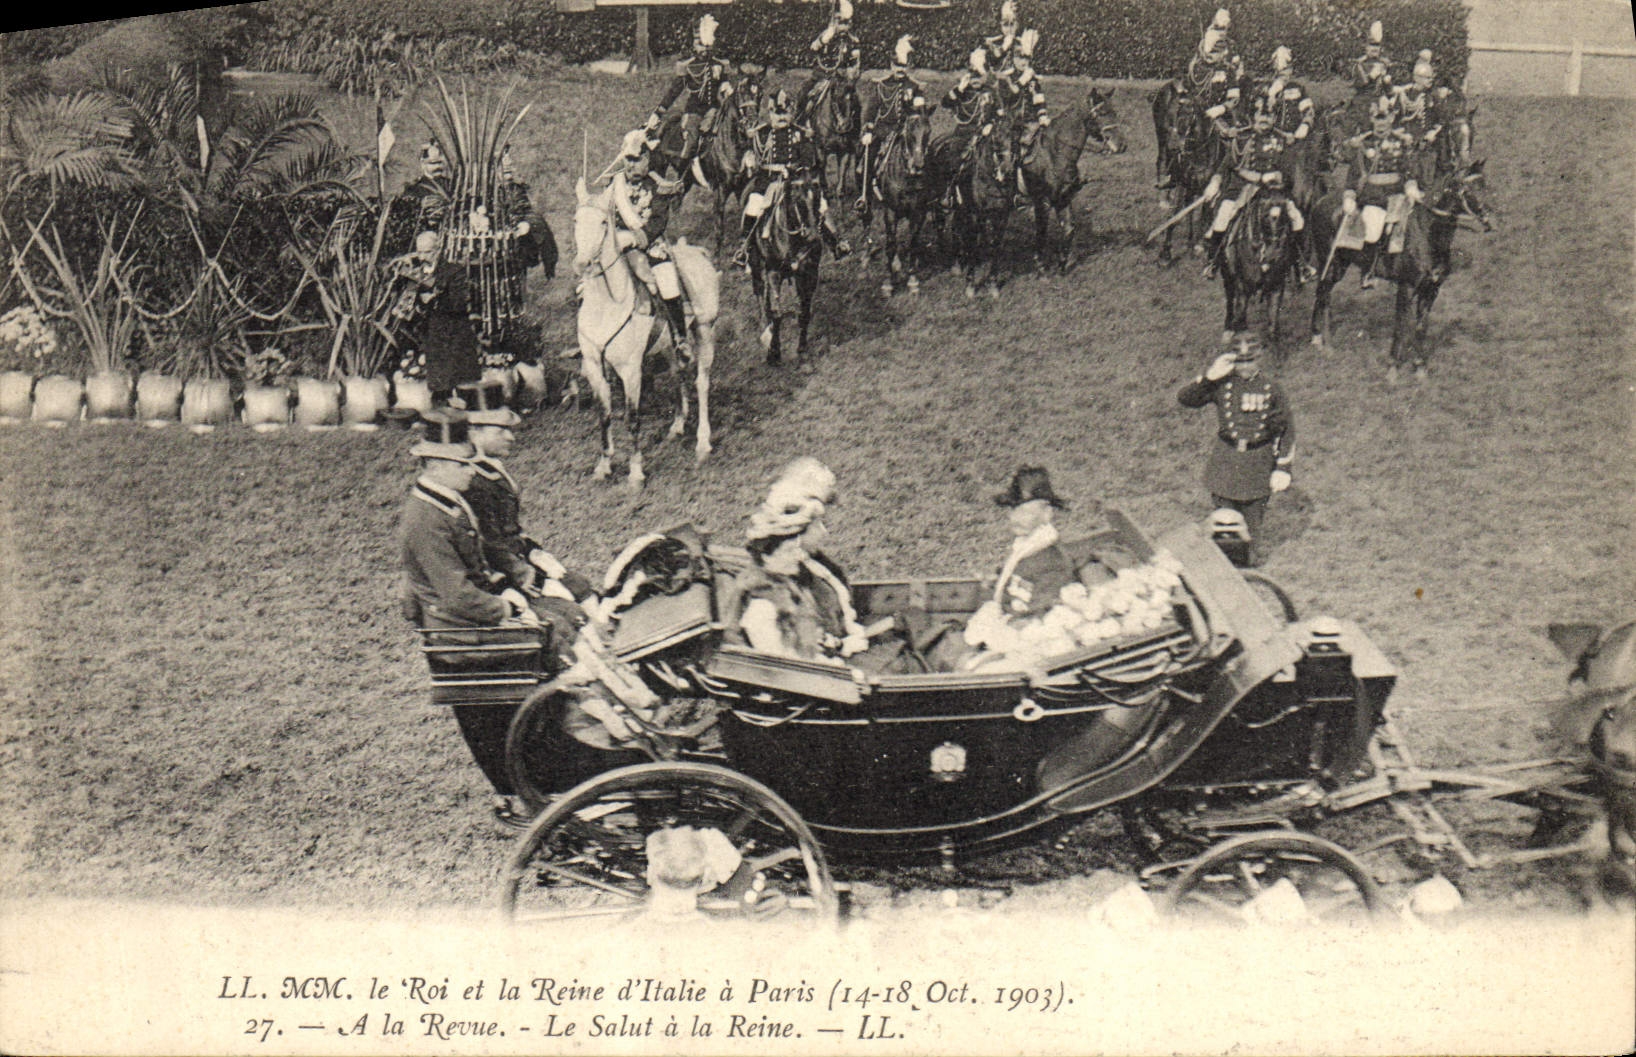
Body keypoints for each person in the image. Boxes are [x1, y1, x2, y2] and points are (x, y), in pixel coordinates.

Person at [399, 411, 543, 811]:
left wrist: (506, 588)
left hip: (468, 620)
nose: (471, 472)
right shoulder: (424, 519)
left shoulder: (447, 501)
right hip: (459, 636)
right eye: (464, 465)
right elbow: (457, 594)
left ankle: (529, 781)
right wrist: (505, 607)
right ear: (439, 466)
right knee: (491, 724)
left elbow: (475, 562)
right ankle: (513, 793)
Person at [459, 382, 599, 644]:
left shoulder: (492, 469)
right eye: (500, 430)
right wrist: (525, 573)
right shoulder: (474, 481)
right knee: (573, 610)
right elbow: (489, 543)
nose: (510, 437)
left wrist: (536, 552)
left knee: (583, 589)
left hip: (521, 558)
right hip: (504, 574)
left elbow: (510, 530)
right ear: (474, 432)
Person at [1176, 333, 1294, 563]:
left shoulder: (1272, 389)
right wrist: (1210, 377)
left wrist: (1283, 467)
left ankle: (1248, 563)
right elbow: (1186, 399)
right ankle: (1222, 564)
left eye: (1250, 360)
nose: (1245, 366)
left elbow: (1287, 429)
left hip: (1256, 462)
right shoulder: (1222, 384)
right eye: (1239, 361)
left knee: (1252, 522)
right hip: (1226, 461)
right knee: (1222, 521)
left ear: (1259, 358)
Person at [732, 89, 850, 269]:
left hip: (796, 181)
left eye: (785, 113)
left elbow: (809, 159)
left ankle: (836, 243)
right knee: (754, 203)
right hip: (768, 181)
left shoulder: (801, 133)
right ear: (770, 113)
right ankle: (744, 248)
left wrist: (798, 167)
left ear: (792, 113)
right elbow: (749, 152)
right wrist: (749, 157)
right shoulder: (761, 133)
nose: (781, 118)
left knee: (820, 204)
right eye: (777, 113)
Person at [605, 128, 693, 361]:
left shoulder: (658, 186)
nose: (632, 166)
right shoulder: (613, 186)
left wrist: (639, 238)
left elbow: (657, 222)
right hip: (618, 248)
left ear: (647, 159)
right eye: (628, 160)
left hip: (650, 246)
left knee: (667, 283)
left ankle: (680, 338)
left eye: (637, 160)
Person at [1198, 96, 1305, 280]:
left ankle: (1301, 265)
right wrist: (1214, 183)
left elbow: (1287, 172)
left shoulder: (1282, 139)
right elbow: (1226, 167)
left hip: (1272, 193)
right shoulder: (1241, 137)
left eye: (1269, 115)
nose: (1265, 119)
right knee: (1223, 216)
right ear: (1253, 116)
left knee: (1297, 219)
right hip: (1240, 190)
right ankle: (1213, 261)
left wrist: (1277, 178)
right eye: (1260, 114)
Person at [1336, 95, 1425, 285]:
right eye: (1377, 120)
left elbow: (1408, 169)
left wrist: (1411, 186)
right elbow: (1354, 174)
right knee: (1373, 232)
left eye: (1384, 120)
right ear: (1372, 120)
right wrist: (1349, 196)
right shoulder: (1364, 143)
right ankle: (1369, 272)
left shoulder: (1401, 142)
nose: (1381, 124)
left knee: (1414, 225)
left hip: (1398, 197)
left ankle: (1416, 266)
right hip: (1374, 198)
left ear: (1391, 119)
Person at [647, 14, 733, 168]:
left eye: (707, 44)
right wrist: (659, 112)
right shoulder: (688, 66)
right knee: (692, 138)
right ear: (693, 45)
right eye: (700, 44)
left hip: (714, 110)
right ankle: (684, 171)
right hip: (694, 111)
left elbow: (725, 85)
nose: (704, 48)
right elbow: (674, 91)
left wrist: (726, 87)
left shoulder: (720, 65)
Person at [857, 35, 927, 210]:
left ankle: (927, 196)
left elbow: (920, 111)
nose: (900, 70)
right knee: (866, 158)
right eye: (897, 66)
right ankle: (864, 198)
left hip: (906, 131)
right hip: (883, 130)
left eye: (903, 66)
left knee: (924, 154)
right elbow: (869, 111)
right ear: (891, 65)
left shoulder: (914, 87)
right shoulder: (881, 85)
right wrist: (867, 130)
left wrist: (919, 108)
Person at [797, 0, 861, 123]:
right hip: (821, 75)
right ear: (834, 23)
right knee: (804, 93)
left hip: (840, 78)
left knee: (855, 102)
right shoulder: (826, 36)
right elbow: (813, 49)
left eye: (846, 24)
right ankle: (800, 121)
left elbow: (854, 65)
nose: (843, 27)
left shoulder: (852, 41)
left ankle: (856, 129)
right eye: (840, 23)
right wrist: (824, 40)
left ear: (850, 24)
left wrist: (851, 71)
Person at [999, 28, 1049, 183]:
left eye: (1026, 58)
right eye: (1020, 58)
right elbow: (1008, 96)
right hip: (1012, 123)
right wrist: (1022, 81)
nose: (1023, 62)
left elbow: (1038, 98)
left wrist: (1042, 115)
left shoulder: (1032, 77)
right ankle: (1011, 180)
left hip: (1032, 122)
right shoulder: (1006, 77)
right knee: (1014, 152)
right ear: (1013, 58)